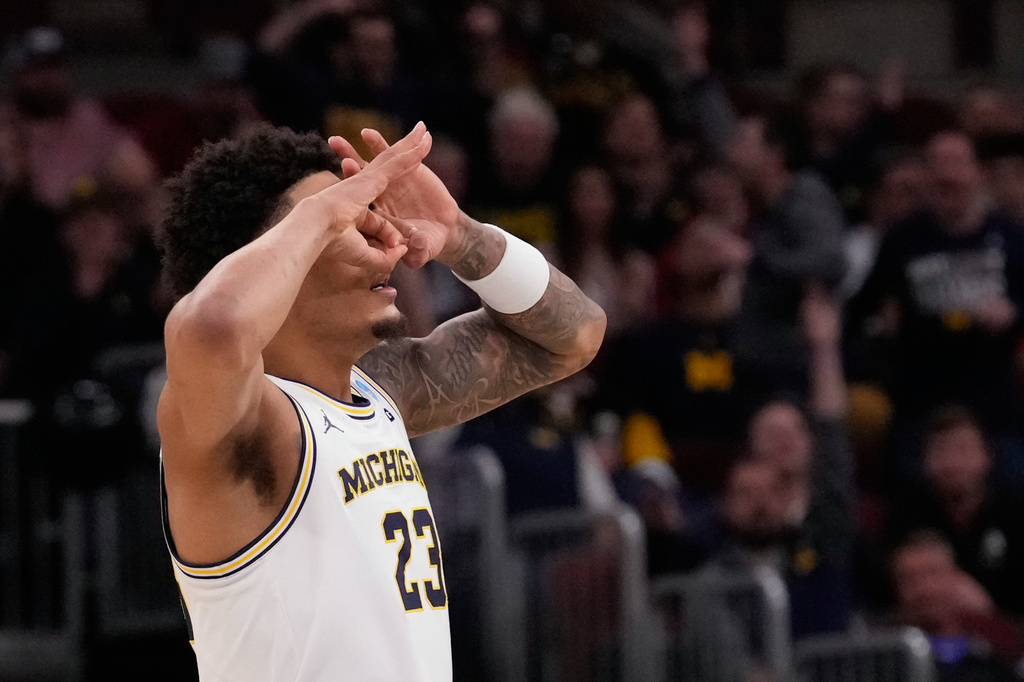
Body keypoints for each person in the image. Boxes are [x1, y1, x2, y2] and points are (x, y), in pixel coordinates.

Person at [155, 122, 606, 680]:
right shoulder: (242, 420)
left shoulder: (382, 390)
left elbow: (575, 335)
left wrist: (460, 235)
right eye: (349, 223)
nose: (383, 239)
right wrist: (321, 213)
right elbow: (213, 327)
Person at [886, 407, 1024, 615]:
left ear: (986, 456)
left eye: (963, 450)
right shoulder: (905, 515)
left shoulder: (1015, 513)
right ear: (924, 460)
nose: (952, 463)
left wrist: (987, 614)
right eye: (941, 451)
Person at [889, 532, 1022, 682]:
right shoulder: (887, 645)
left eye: (933, 573)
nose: (925, 589)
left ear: (956, 574)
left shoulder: (998, 637)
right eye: (909, 579)